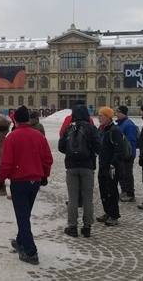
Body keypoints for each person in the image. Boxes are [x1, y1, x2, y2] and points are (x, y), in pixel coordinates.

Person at [0, 106, 53, 265]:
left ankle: (30, 251)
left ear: (15, 120)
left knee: (22, 216)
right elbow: (48, 159)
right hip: (34, 181)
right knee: (25, 213)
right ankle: (20, 240)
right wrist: (44, 175)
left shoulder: (12, 137)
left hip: (19, 181)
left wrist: (1, 179)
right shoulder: (39, 136)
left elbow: (6, 162)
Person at [58, 102, 101, 238]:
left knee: (73, 198)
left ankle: (72, 227)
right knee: (87, 198)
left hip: (71, 166)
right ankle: (87, 227)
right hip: (87, 166)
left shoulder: (68, 128)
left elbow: (61, 147)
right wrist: (90, 152)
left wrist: (71, 153)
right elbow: (99, 146)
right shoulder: (91, 128)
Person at [96, 107, 125, 227]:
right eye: (98, 115)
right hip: (102, 164)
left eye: (101, 115)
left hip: (112, 167)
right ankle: (107, 212)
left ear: (108, 117)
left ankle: (114, 215)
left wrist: (113, 164)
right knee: (103, 190)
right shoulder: (101, 130)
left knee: (111, 191)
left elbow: (120, 150)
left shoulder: (115, 130)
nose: (98, 117)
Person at [115, 105, 139, 202]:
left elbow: (131, 141)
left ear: (123, 113)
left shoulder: (128, 125)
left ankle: (130, 193)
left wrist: (127, 153)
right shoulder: (120, 124)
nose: (116, 114)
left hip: (127, 154)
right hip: (121, 154)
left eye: (118, 112)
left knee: (127, 174)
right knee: (121, 173)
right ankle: (124, 190)